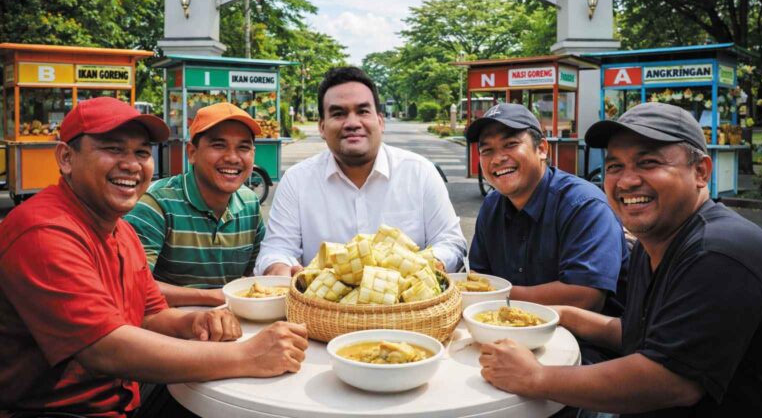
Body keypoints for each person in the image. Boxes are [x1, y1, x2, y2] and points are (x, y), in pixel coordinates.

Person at [0, 97, 308, 417]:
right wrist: (248, 356)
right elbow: (104, 349)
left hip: (126, 396)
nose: (131, 164)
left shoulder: (121, 231)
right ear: (66, 157)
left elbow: (149, 315)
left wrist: (197, 321)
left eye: (142, 152)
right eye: (113, 149)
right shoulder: (43, 230)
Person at [479, 102, 762, 416]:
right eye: (615, 166)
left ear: (701, 172)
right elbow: (639, 334)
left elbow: (671, 381)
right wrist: (559, 315)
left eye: (648, 162)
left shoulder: (718, 252)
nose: (627, 181)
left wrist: (535, 376)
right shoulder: (654, 241)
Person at [255, 66, 466, 275]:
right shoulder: (297, 180)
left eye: (363, 111)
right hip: (320, 308)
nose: (352, 123)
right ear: (321, 127)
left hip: (411, 307)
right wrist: (281, 270)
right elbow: (276, 249)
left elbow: (450, 242)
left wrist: (424, 265)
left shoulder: (420, 173)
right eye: (338, 113)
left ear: (380, 122)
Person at [465, 103, 627, 314]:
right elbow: (479, 275)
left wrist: (493, 295)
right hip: (508, 329)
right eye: (487, 150)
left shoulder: (583, 205)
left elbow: (585, 297)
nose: (497, 159)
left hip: (584, 340)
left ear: (541, 149)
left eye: (510, 144)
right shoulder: (492, 205)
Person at [126, 102, 264, 306]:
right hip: (167, 330)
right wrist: (213, 297)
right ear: (192, 153)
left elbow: (256, 274)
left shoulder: (250, 204)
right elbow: (132, 284)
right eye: (219, 145)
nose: (233, 158)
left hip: (232, 326)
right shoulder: (155, 204)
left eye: (243, 148)